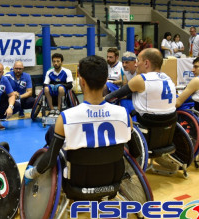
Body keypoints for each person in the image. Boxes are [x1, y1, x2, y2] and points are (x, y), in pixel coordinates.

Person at [23, 55, 132, 184]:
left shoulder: (66, 118)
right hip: (113, 178)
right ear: (105, 81)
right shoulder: (124, 114)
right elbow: (135, 152)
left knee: (53, 134)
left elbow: (50, 159)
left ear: (82, 82)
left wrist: (32, 173)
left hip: (77, 182)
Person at [105, 48, 176, 117]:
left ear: (146, 63)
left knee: (124, 104)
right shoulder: (167, 78)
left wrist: (99, 101)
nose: (136, 64)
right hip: (170, 118)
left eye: (138, 61)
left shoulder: (141, 79)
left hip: (150, 120)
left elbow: (115, 95)